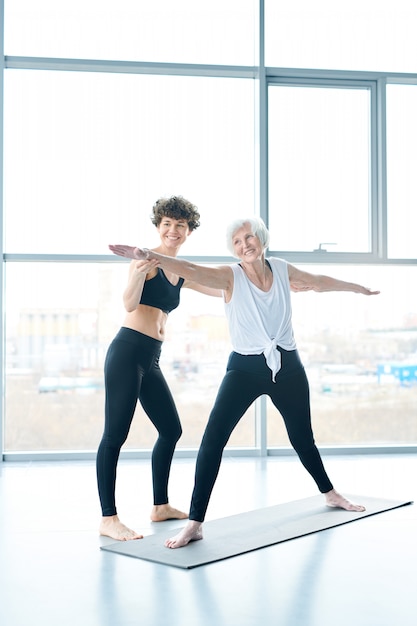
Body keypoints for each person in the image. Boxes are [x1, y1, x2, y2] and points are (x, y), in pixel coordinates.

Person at [109, 217, 380, 548]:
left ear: (262, 239)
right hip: (244, 369)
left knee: (302, 437)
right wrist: (147, 255)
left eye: (249, 237)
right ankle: (195, 523)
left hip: (288, 366)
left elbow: (319, 280)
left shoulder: (281, 269)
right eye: (237, 242)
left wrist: (359, 288)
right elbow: (189, 269)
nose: (244, 245)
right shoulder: (229, 275)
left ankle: (331, 494)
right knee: (213, 441)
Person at [97, 196, 220, 541]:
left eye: (180, 225)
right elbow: (129, 303)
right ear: (158, 227)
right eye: (167, 223)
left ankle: (160, 506)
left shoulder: (178, 271)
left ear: (188, 231)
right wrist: (137, 272)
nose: (173, 230)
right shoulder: (145, 261)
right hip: (126, 352)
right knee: (114, 436)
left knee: (171, 429)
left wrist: (249, 285)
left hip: (151, 358)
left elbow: (216, 286)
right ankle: (108, 518)